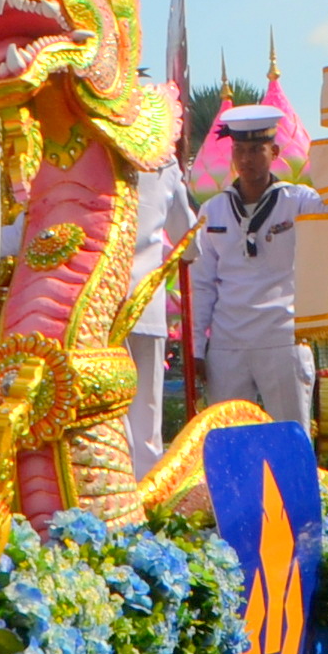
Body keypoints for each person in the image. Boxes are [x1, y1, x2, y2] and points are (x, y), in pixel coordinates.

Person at [190, 106, 322, 427]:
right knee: (229, 440)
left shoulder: (298, 201)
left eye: (255, 150)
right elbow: (201, 284)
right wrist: (196, 348)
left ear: (274, 152)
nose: (246, 159)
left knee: (290, 435)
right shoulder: (213, 210)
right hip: (227, 343)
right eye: (239, 150)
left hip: (283, 336)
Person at [124, 150, 195, 473]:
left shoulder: (95, 148)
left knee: (111, 413)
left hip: (101, 304)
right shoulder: (162, 160)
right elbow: (189, 242)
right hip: (146, 306)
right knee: (146, 420)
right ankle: (142, 491)